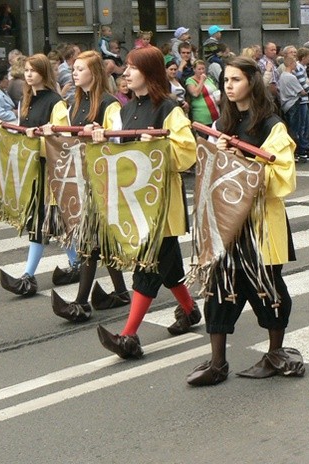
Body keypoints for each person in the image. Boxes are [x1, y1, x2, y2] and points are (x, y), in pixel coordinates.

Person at [185, 56, 303, 386]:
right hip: (228, 224)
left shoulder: (270, 125)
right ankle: (218, 362)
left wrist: (244, 159)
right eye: (226, 81)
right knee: (220, 288)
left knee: (267, 288)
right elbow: (209, 171)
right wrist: (218, 152)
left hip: (260, 224)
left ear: (251, 82)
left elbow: (284, 177)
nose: (229, 86)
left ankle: (275, 353)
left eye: (236, 80)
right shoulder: (223, 123)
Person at [92, 46, 200, 359]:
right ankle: (190, 310)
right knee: (167, 266)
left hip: (162, 205)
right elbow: (121, 152)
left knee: (148, 265)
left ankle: (128, 336)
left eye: (132, 68)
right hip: (135, 203)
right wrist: (104, 138)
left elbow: (186, 153)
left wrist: (159, 143)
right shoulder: (125, 110)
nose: (125, 73)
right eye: (125, 67)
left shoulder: (169, 108)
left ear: (148, 73)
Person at [50, 50, 131, 322]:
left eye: (81, 69)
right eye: (74, 68)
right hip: (82, 179)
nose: (75, 73)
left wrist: (102, 135)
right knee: (98, 240)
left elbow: (119, 142)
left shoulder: (110, 104)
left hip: (102, 179)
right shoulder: (74, 104)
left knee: (89, 240)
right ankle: (120, 291)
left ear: (94, 73)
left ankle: (81, 303)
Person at [0, 54, 71, 297]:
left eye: (33, 70)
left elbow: (61, 140)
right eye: (26, 70)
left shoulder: (55, 102)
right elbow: (24, 134)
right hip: (35, 170)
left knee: (46, 222)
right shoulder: (25, 99)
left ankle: (29, 276)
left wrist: (36, 139)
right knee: (50, 222)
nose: (28, 74)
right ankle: (75, 265)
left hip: (51, 170)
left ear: (44, 73)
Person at [185, 60, 220, 129]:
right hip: (202, 117)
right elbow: (195, 93)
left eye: (203, 69)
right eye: (199, 69)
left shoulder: (209, 79)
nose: (201, 71)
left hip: (215, 113)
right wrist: (201, 80)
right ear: (194, 69)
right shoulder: (190, 81)